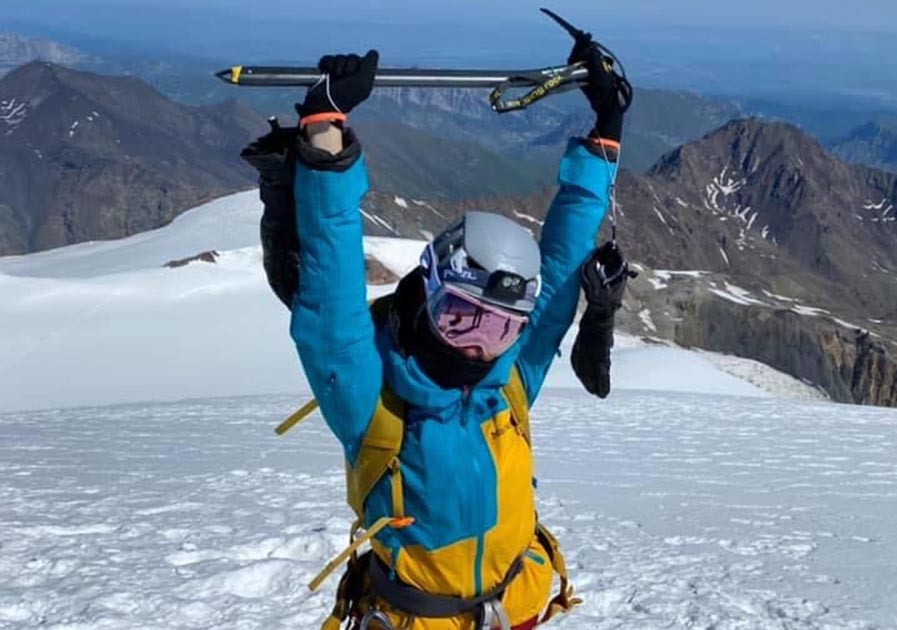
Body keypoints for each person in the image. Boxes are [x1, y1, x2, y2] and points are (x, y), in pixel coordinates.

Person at [242, 33, 629, 630]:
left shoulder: (511, 379)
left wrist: (607, 128)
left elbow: (560, 262)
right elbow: (331, 283)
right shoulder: (370, 396)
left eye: (503, 327)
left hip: (517, 608)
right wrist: (323, 130)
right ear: (425, 292)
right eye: (460, 314)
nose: (479, 342)